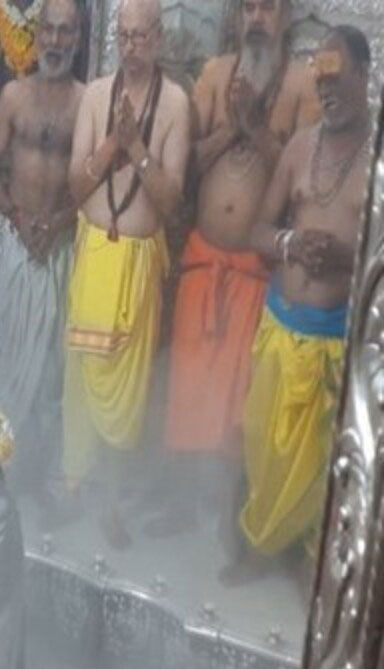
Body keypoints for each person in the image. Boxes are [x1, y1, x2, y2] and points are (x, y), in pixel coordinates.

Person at [153, 0, 319, 536]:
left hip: (252, 274)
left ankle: (227, 518)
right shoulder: (215, 74)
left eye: (267, 8)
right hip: (204, 263)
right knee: (189, 386)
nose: (257, 18)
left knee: (236, 401)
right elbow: (188, 166)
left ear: (285, 17)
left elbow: (304, 184)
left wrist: (257, 128)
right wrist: (231, 130)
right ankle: (179, 506)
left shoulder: (300, 85)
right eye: (248, 7)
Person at [224, 26, 370, 586]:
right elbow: (259, 229)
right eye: (320, 78)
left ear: (363, 74)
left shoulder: (377, 157)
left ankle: (307, 563)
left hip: (336, 340)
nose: (327, 88)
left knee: (319, 469)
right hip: (281, 328)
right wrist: (291, 244)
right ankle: (257, 542)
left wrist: (346, 257)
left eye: (337, 76)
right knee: (261, 446)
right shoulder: (298, 147)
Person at [63, 0, 189, 547]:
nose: (131, 46)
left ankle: (111, 500)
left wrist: (136, 148)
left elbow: (170, 199)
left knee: (127, 396)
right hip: (94, 254)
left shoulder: (177, 105)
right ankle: (76, 488)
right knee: (82, 386)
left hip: (138, 268)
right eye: (123, 35)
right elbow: (75, 187)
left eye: (141, 37)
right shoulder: (94, 95)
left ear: (159, 39)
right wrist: (112, 142)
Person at [0, 0, 83, 499]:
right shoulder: (13, 97)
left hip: (62, 248)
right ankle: (7, 473)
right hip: (18, 246)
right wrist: (20, 219)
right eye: (49, 29)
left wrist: (59, 224)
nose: (56, 41)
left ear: (78, 40)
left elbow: (90, 183)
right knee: (14, 365)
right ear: (36, 34)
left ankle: (41, 480)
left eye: (66, 32)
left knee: (51, 376)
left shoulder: (88, 102)